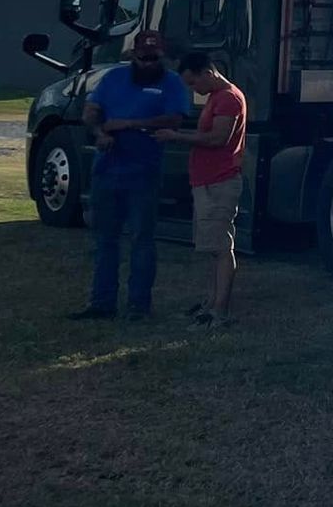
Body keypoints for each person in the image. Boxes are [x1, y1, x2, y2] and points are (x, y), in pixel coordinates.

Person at [71, 29, 190, 320]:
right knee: (105, 239)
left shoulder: (172, 83)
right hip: (107, 169)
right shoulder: (113, 78)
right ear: (134, 55)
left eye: (154, 58)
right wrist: (100, 133)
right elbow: (91, 111)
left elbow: (174, 118)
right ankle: (102, 302)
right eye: (144, 57)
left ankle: (139, 305)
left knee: (141, 239)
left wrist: (128, 124)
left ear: (162, 56)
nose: (149, 63)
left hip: (144, 172)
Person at [156, 52, 248, 328]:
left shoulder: (229, 99)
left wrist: (177, 137)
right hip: (206, 181)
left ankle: (220, 310)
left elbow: (218, 138)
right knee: (212, 247)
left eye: (194, 82)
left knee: (221, 247)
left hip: (219, 182)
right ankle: (211, 301)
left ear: (208, 73)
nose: (193, 89)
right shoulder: (215, 98)